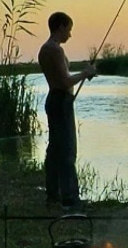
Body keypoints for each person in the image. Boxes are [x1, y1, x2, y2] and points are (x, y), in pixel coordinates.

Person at [38, 11, 97, 208]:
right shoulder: (54, 50)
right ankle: (70, 199)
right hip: (61, 101)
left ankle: (53, 195)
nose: (70, 35)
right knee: (67, 150)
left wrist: (82, 74)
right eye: (69, 29)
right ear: (61, 27)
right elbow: (64, 81)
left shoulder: (45, 49)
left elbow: (61, 78)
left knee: (55, 149)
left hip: (55, 100)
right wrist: (85, 73)